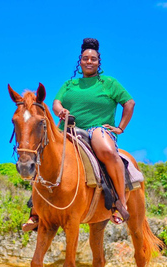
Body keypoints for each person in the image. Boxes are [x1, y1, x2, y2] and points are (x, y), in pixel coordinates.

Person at [22, 38, 135, 231]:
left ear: (99, 62)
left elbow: (129, 103)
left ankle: (120, 203)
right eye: (85, 58)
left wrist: (120, 127)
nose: (89, 62)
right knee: (44, 155)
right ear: (80, 61)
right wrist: (60, 111)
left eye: (93, 59)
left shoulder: (109, 83)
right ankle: (36, 211)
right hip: (68, 128)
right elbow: (56, 103)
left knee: (107, 151)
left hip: (96, 128)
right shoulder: (69, 84)